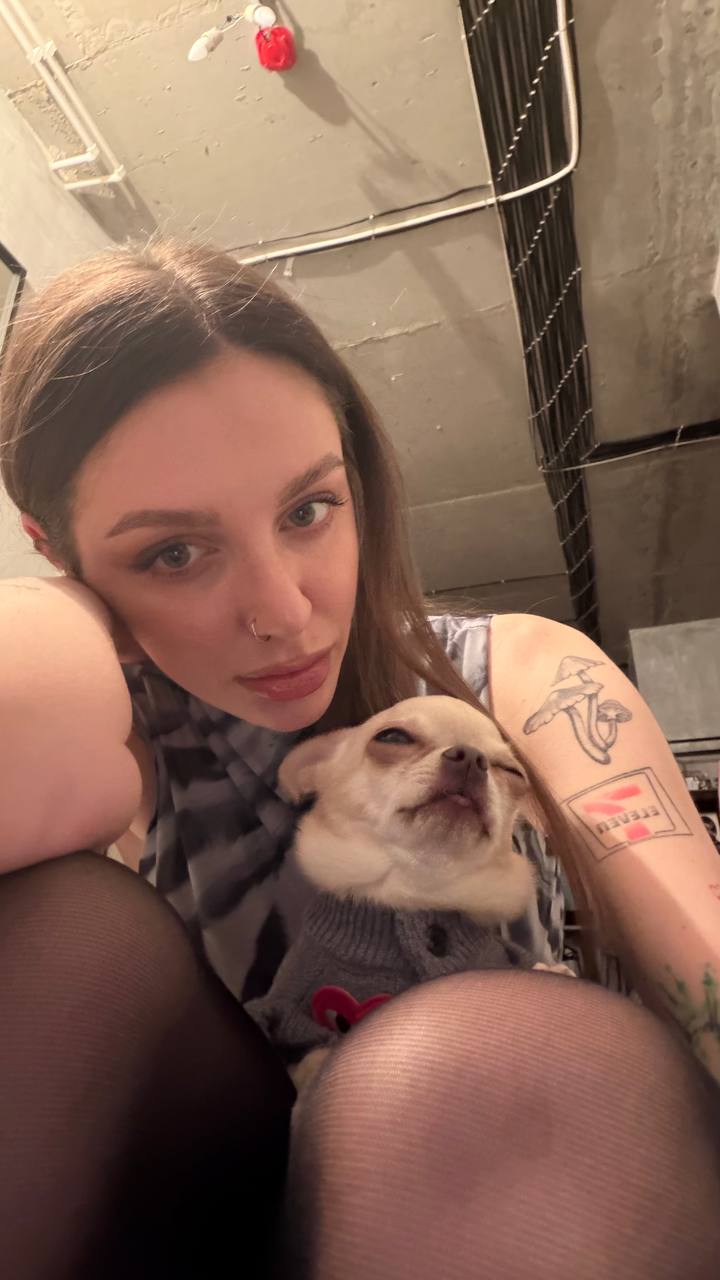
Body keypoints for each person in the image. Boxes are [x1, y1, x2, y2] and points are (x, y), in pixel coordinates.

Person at [0, 240, 718, 1280]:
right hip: (245, 1183)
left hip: (530, 1168)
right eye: (172, 552)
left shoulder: (513, 670)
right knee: (62, 928)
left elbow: (699, 950)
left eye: (308, 509)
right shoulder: (131, 735)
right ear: (61, 549)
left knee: (470, 1057)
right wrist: (71, 611)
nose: (284, 612)